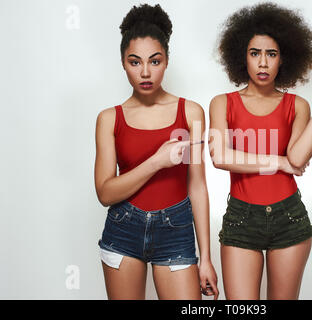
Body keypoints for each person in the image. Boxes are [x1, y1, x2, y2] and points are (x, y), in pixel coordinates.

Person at [208, 2, 312, 300]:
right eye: (255, 53)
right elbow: (221, 157)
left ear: (283, 59)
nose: (263, 63)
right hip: (241, 219)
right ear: (242, 57)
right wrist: (279, 161)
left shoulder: (297, 105)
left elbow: (298, 159)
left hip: (289, 218)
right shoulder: (222, 103)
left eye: (271, 54)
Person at [94, 3, 218, 300]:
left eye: (155, 61)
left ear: (166, 61)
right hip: (123, 230)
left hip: (176, 231)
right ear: (123, 63)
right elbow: (105, 193)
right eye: (135, 62)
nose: (145, 72)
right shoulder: (109, 118)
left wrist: (206, 258)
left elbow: (198, 187)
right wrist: (157, 161)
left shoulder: (191, 112)